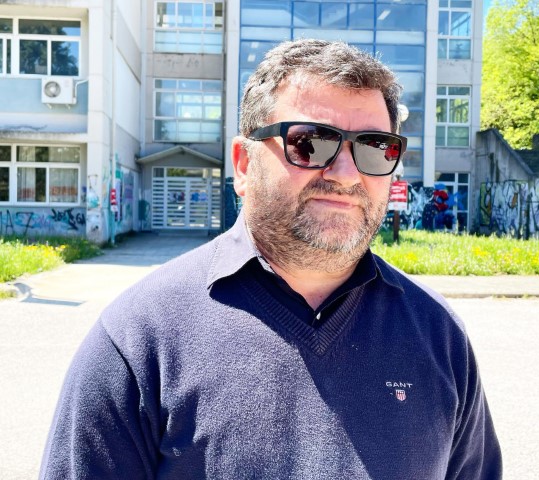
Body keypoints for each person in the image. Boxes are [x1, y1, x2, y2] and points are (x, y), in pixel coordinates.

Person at [40, 39, 502, 479]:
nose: (346, 174)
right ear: (244, 164)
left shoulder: (437, 334)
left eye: (375, 147)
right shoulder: (138, 338)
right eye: (310, 143)